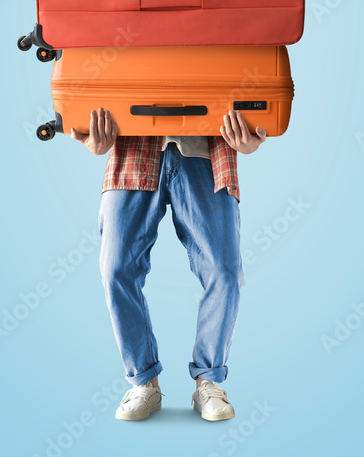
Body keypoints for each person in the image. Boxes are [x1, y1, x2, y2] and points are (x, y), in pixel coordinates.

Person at [71, 106, 266, 422]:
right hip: (133, 150)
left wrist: (252, 134)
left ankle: (209, 381)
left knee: (224, 271)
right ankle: (144, 383)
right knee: (115, 268)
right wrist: (89, 135)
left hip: (209, 151)